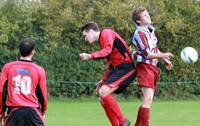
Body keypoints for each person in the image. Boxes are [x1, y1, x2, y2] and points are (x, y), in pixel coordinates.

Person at [79, 21, 137, 126]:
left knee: (103, 92)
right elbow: (111, 64)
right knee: (102, 99)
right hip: (118, 69)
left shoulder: (106, 33)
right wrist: (104, 80)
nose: (85, 39)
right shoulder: (103, 40)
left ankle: (123, 121)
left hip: (127, 68)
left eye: (85, 35)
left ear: (91, 31)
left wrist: (89, 56)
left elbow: (107, 51)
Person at [131, 7, 173, 126]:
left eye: (147, 14)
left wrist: (164, 59)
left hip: (153, 67)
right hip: (145, 67)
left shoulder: (149, 30)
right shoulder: (139, 34)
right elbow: (148, 54)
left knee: (148, 100)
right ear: (138, 21)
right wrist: (163, 55)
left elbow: (154, 48)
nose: (148, 16)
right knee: (147, 100)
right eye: (144, 15)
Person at [0, 38, 48, 126]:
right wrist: (43, 111)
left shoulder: (8, 67)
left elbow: (1, 91)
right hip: (33, 113)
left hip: (14, 113)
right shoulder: (39, 70)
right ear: (33, 51)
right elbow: (43, 95)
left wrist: (1, 112)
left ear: (19, 50)